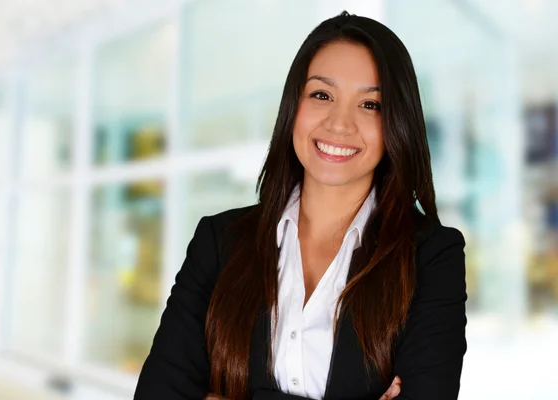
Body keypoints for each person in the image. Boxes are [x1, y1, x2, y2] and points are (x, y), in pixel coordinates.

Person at [134, 11, 467, 400]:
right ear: (294, 105)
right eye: (322, 95)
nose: (340, 124)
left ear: (397, 122)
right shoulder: (219, 242)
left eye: (371, 104)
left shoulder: (431, 256)